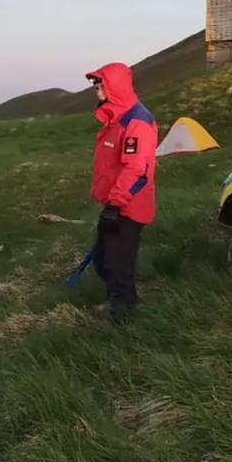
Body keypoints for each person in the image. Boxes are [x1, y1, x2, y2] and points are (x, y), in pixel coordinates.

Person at [85, 62, 157, 324]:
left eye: (100, 83)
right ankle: (116, 303)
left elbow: (138, 170)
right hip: (114, 204)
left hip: (128, 207)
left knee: (118, 265)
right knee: (103, 260)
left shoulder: (136, 122)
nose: (96, 88)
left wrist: (116, 204)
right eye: (95, 84)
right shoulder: (116, 118)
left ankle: (122, 317)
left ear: (114, 85)